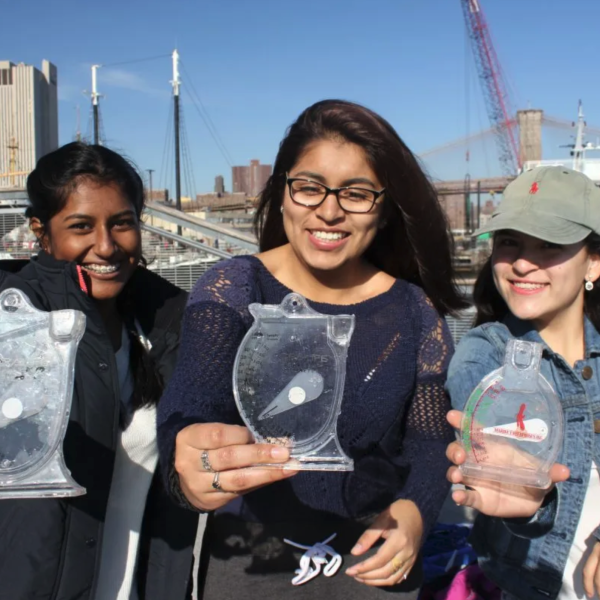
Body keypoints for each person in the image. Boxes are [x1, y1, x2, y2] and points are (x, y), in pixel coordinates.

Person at [157, 99, 467, 599]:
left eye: (357, 193)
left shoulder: (414, 311)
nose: (328, 209)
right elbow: (191, 405)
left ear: (384, 210)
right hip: (250, 565)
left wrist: (416, 511)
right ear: (282, 192)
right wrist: (187, 463)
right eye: (309, 187)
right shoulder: (234, 288)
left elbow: (429, 441)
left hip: (375, 565)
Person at [0, 142, 199, 600]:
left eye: (122, 223)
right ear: (41, 232)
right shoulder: (15, 325)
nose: (106, 246)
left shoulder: (168, 322)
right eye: (81, 227)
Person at [445, 166, 600, 600]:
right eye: (509, 241)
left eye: (549, 244)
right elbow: (503, 467)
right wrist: (526, 498)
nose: (522, 262)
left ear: (594, 260)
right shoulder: (483, 354)